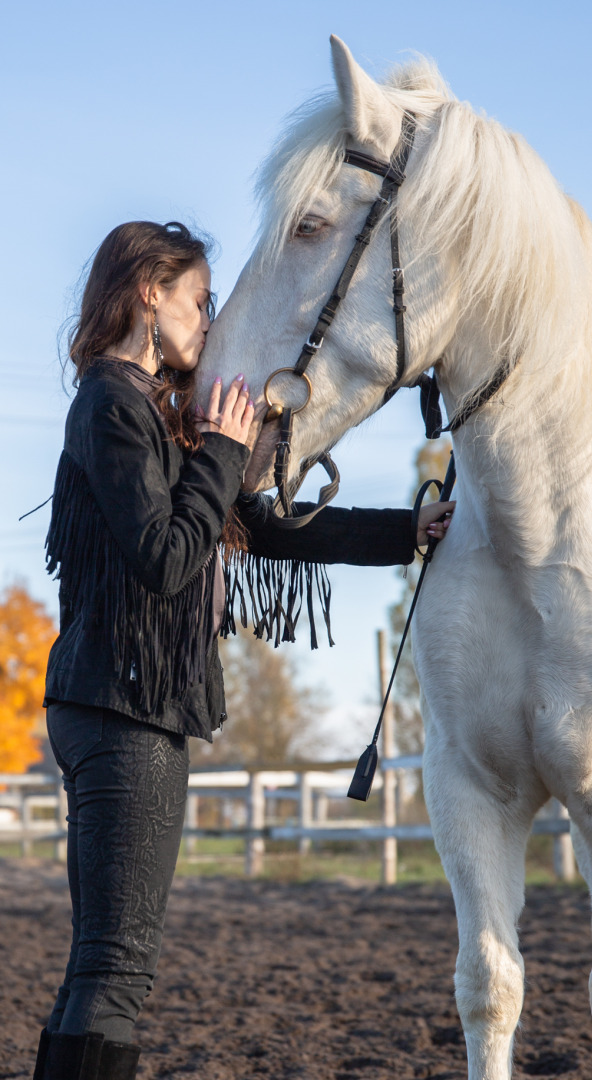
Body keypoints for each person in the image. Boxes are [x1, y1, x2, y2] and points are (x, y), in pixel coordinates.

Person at [33, 220, 453, 1080]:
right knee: (117, 971)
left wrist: (405, 533)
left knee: (101, 966)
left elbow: (264, 528)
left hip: (121, 703)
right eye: (197, 296)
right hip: (123, 709)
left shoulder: (149, 412)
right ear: (148, 290)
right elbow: (165, 556)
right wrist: (222, 450)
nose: (209, 316)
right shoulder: (110, 403)